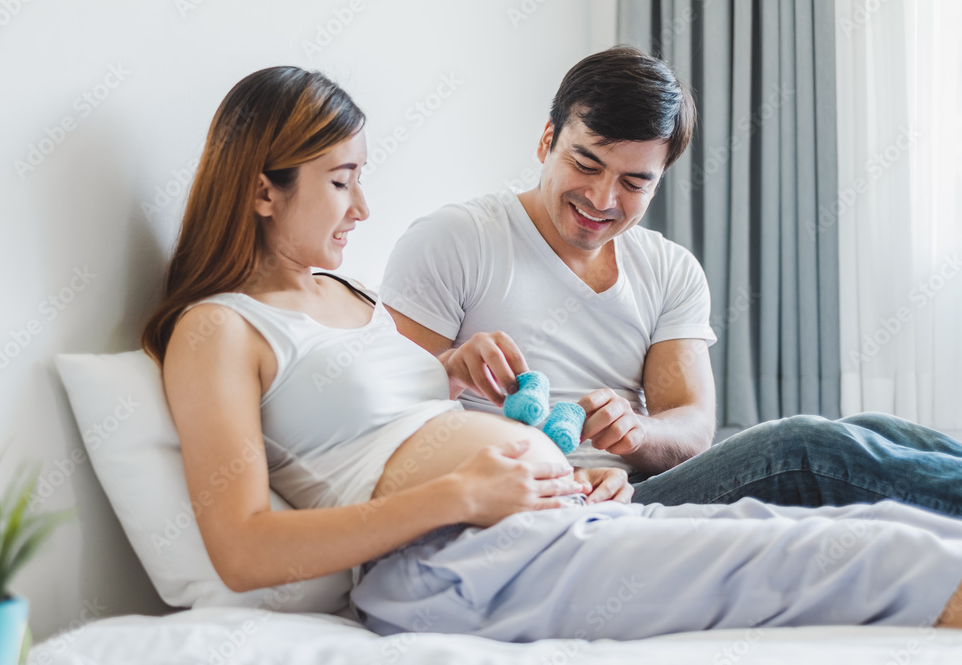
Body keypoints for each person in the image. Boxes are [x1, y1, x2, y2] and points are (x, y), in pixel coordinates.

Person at [141, 65, 962, 642]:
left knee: (890, 520)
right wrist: (465, 488)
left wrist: (479, 392)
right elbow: (242, 549)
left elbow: (403, 419)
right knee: (878, 553)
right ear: (261, 189)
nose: (365, 205)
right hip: (459, 560)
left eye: (363, 176)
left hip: (562, 510)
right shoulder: (218, 327)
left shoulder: (347, 296)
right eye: (342, 179)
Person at [379, 45, 962, 518]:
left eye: (635, 182)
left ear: (660, 181)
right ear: (546, 140)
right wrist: (457, 378)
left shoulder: (669, 268)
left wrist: (637, 435)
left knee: (872, 429)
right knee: (804, 447)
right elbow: (383, 424)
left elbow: (690, 423)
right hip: (533, 503)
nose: (602, 200)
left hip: (628, 493)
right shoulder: (456, 239)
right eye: (585, 164)